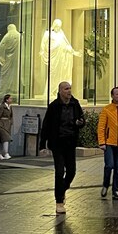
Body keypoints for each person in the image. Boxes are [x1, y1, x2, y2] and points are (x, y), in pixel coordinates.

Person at [38, 81, 84, 214]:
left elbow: (81, 119)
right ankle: (59, 202)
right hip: (57, 143)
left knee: (71, 172)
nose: (69, 91)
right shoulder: (54, 106)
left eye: (70, 88)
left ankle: (62, 190)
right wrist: (42, 145)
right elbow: (46, 125)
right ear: (60, 91)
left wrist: (80, 123)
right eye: (66, 89)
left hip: (70, 142)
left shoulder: (75, 104)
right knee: (59, 172)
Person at [40, 19, 81, 97]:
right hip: (53, 57)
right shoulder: (48, 33)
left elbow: (66, 45)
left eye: (59, 26)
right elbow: (43, 43)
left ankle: (57, 91)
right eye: (57, 26)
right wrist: (42, 51)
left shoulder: (61, 34)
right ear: (54, 25)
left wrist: (73, 51)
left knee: (61, 74)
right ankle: (50, 91)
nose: (58, 28)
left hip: (61, 58)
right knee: (53, 74)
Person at [0, 24, 21, 99]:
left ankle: (3, 90)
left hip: (7, 59)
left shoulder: (8, 35)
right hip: (16, 59)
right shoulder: (19, 35)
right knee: (14, 74)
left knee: (4, 74)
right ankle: (13, 89)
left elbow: (2, 46)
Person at [0, 93, 13, 160]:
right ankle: (5, 153)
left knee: (4, 140)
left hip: (7, 125)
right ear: (6, 100)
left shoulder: (10, 107)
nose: (11, 99)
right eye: (10, 98)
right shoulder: (2, 107)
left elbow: (11, 116)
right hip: (1, 125)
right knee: (6, 139)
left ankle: (1, 154)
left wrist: (11, 122)